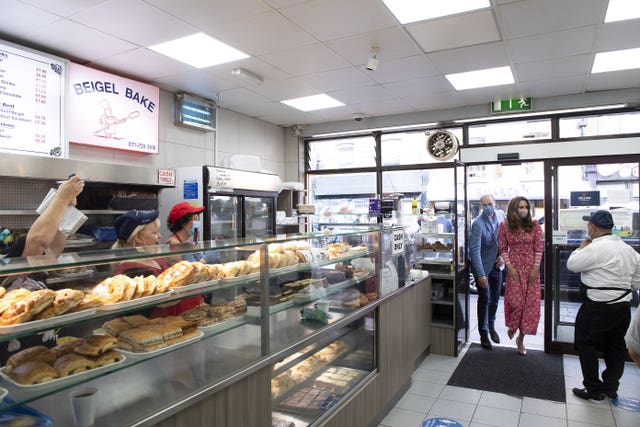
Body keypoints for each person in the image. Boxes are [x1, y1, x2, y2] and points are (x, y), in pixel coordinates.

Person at [567, 210, 640, 401]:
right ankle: (610, 387)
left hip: (597, 307)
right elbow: (638, 278)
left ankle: (593, 388)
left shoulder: (595, 248)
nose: (587, 228)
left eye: (588, 224)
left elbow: (572, 265)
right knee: (615, 347)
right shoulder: (627, 249)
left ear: (593, 227)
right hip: (622, 307)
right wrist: (623, 288)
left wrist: (580, 248)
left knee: (586, 344)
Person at [498, 196, 543, 356]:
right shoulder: (504, 226)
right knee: (516, 303)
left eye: (525, 207)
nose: (523, 210)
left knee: (529, 306)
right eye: (520, 207)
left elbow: (539, 248)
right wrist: (509, 267)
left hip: (531, 269)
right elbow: (503, 248)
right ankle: (513, 326)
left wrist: (536, 268)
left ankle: (521, 339)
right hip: (514, 269)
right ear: (514, 209)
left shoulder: (535, 225)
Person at [469, 194, 506, 350]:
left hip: (498, 265)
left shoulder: (501, 215)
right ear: (481, 206)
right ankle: (483, 333)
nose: (487, 207)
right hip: (483, 267)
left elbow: (506, 239)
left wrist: (504, 256)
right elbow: (474, 250)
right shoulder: (477, 223)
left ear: (495, 203)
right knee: (485, 298)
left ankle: (491, 326)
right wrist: (480, 274)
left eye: (489, 203)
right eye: (484, 204)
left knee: (495, 299)